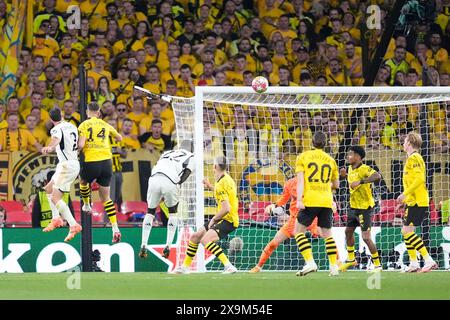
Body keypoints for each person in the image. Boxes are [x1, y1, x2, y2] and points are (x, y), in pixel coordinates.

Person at [175, 156, 238, 274]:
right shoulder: (227, 179)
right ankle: (185, 267)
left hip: (228, 220)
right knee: (195, 236)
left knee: (205, 240)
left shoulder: (222, 183)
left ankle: (228, 266)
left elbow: (226, 209)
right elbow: (222, 194)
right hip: (224, 217)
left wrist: (214, 219)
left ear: (215, 167)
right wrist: (209, 186)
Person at [249, 176, 318, 273]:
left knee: (325, 235)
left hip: (310, 217)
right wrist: (274, 205)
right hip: (293, 220)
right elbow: (284, 198)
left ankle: (336, 262)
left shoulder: (314, 182)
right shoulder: (290, 183)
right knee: (274, 243)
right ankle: (258, 266)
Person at [294, 131, 340, 277]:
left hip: (310, 199)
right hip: (326, 200)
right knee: (327, 234)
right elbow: (337, 185)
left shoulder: (304, 156)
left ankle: (310, 262)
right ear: (325, 144)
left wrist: (299, 200)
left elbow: (301, 181)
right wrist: (325, 185)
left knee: (298, 231)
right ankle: (333, 267)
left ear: (312, 143)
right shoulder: (331, 160)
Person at [139, 141, 194, 260]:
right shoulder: (191, 156)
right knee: (173, 212)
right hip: (170, 180)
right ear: (191, 148)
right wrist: (177, 184)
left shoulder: (167, 152)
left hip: (154, 178)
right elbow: (187, 173)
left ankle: (144, 243)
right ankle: (168, 245)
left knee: (150, 211)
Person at [78, 102, 123, 243]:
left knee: (83, 181)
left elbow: (80, 145)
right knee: (106, 198)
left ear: (87, 112)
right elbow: (119, 138)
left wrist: (75, 152)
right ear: (98, 112)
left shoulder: (84, 125)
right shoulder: (105, 125)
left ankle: (86, 204)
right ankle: (115, 227)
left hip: (92, 161)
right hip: (107, 163)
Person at [396, 132, 437, 272]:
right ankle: (413, 263)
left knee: (407, 232)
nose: (403, 143)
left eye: (405, 140)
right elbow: (412, 183)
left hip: (418, 201)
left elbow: (420, 180)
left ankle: (428, 260)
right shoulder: (411, 159)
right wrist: (405, 200)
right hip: (413, 201)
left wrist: (404, 194)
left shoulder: (415, 158)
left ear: (409, 143)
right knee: (406, 231)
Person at [39, 108, 81, 241]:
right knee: (48, 189)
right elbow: (79, 144)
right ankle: (56, 218)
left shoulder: (55, 129)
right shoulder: (73, 126)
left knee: (55, 198)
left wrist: (50, 147)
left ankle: (73, 225)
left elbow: (56, 139)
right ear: (62, 115)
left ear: (51, 119)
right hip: (70, 163)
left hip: (66, 165)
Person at [338, 146, 382, 273]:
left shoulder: (364, 168)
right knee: (348, 232)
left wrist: (362, 181)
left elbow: (377, 176)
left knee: (366, 238)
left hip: (364, 208)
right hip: (353, 207)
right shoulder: (350, 169)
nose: (348, 156)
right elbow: (351, 182)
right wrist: (343, 177)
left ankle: (378, 265)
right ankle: (351, 259)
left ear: (358, 156)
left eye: (350, 154)